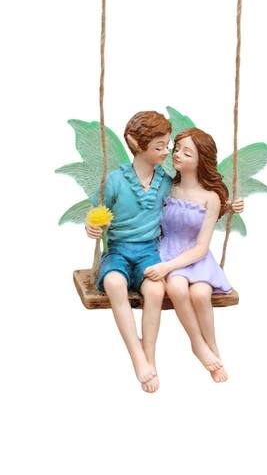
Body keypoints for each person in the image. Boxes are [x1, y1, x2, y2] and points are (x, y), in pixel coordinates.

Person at [144, 127, 244, 383]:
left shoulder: (211, 197)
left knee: (200, 294)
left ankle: (213, 348)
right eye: (177, 149)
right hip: (167, 251)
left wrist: (229, 206)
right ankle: (197, 344)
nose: (177, 155)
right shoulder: (169, 188)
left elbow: (201, 247)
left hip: (196, 257)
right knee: (177, 287)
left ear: (202, 160)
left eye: (186, 153)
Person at [86, 111, 172, 393]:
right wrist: (92, 226)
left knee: (156, 290)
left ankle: (150, 356)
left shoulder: (166, 182)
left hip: (149, 251)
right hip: (119, 251)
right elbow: (96, 211)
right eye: (159, 146)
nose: (166, 151)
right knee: (114, 282)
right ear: (136, 144)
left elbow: (191, 202)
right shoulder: (115, 180)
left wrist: (226, 206)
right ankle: (137, 357)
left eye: (167, 145)